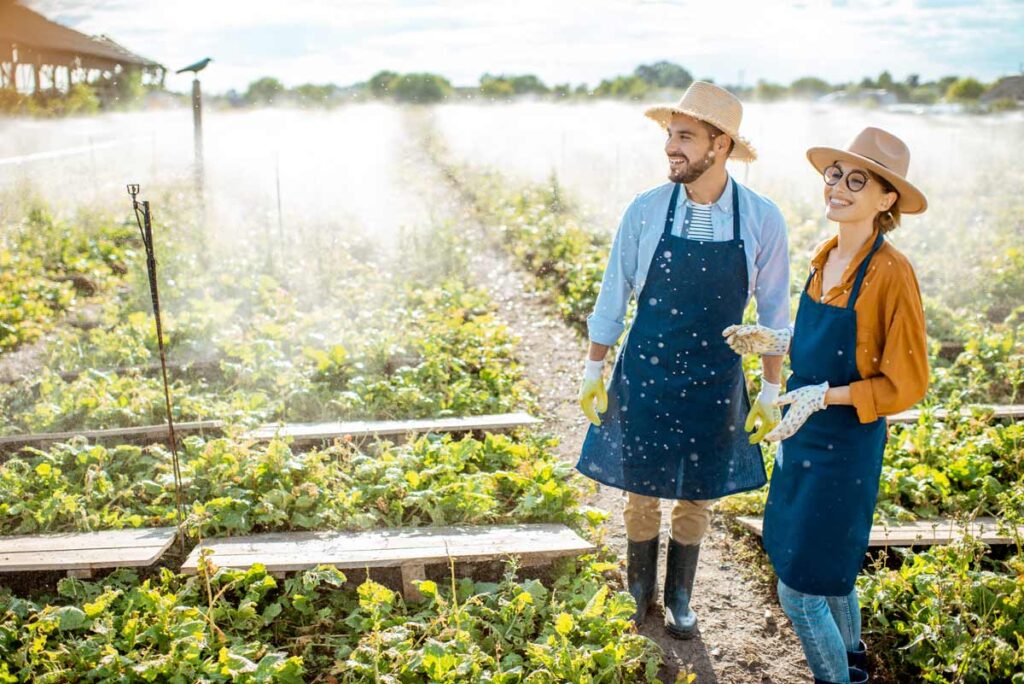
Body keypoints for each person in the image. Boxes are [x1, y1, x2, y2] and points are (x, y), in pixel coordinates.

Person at [576, 81, 791, 638]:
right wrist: (593, 370)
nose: (672, 147)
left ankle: (680, 598)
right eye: (671, 135)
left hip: (714, 377)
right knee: (641, 488)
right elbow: (612, 295)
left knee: (697, 492)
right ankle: (638, 590)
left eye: (686, 137)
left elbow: (772, 320)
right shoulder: (646, 211)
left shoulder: (761, 219)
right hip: (647, 366)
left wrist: (770, 392)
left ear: (720, 146)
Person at [723, 127, 930, 683]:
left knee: (799, 590)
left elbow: (905, 383)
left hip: (845, 446)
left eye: (856, 180)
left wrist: (827, 397)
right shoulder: (825, 254)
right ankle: (855, 659)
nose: (838, 187)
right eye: (834, 175)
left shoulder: (892, 272)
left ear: (887, 200)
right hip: (802, 434)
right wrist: (775, 341)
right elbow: (827, 343)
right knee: (830, 573)